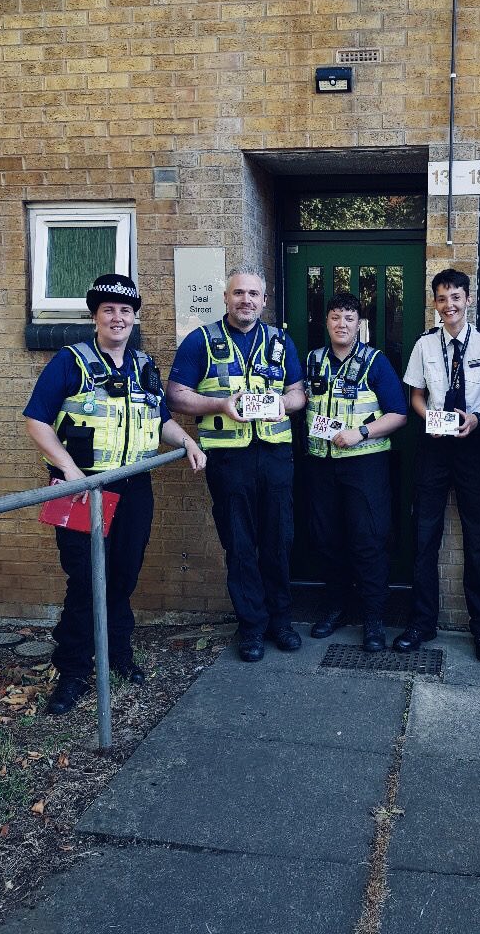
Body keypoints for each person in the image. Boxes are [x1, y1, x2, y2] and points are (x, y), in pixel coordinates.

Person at [24, 274, 207, 715]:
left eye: (125, 310)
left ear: (134, 317)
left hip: (134, 488)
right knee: (86, 580)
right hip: (83, 488)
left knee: (124, 576)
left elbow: (160, 418)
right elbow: (36, 419)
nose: (118, 317)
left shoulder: (145, 365)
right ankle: (71, 672)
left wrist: (187, 441)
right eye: (109, 310)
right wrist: (68, 470)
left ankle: (117, 654)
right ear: (95, 316)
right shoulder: (70, 361)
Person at [166, 263, 306, 663]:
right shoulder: (201, 341)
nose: (246, 300)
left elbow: (298, 393)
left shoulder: (280, 341)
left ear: (263, 301)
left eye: (253, 294)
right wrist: (220, 405)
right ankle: (251, 628)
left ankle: (281, 621)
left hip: (276, 455)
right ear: (226, 298)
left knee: (279, 540)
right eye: (239, 293)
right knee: (240, 544)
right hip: (228, 458)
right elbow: (175, 395)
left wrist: (284, 403)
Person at [395, 268, 480, 660]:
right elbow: (415, 393)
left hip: (476, 444)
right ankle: (421, 623)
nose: (449, 305)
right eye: (442, 298)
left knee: (479, 539)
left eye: (456, 297)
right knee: (424, 535)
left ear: (468, 299)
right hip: (433, 446)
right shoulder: (425, 344)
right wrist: (425, 417)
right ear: (436, 303)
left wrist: (479, 418)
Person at [305, 293, 408, 652]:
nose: (342, 324)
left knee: (368, 541)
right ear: (327, 322)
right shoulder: (313, 360)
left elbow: (399, 414)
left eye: (349, 318)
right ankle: (335, 608)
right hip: (321, 465)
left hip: (365, 466)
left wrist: (361, 433)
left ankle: (374, 619)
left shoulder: (375, 361)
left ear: (358, 323)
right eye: (335, 317)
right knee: (327, 539)